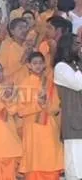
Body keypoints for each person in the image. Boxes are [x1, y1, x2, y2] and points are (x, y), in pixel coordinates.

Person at [17, 52, 63, 179]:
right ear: (29, 66)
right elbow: (20, 111)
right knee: (34, 162)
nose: (38, 66)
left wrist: (47, 104)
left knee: (51, 160)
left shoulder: (50, 83)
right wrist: (38, 105)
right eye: (34, 63)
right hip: (33, 130)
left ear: (44, 65)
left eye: (40, 63)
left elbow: (56, 107)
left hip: (49, 128)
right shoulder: (24, 84)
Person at [54, 33, 82, 180]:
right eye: (76, 44)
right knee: (76, 168)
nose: (80, 47)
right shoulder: (61, 67)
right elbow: (79, 84)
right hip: (74, 123)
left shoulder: (78, 65)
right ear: (67, 46)